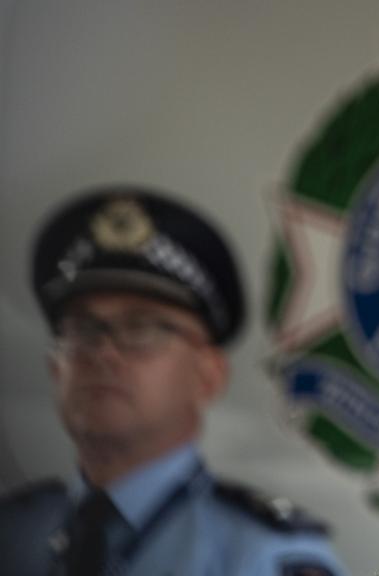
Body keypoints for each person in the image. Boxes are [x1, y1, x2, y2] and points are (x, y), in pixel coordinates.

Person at [0, 186, 348, 575]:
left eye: (142, 327)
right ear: (55, 366)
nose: (104, 352)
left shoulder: (263, 557)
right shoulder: (16, 531)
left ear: (209, 375)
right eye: (84, 327)